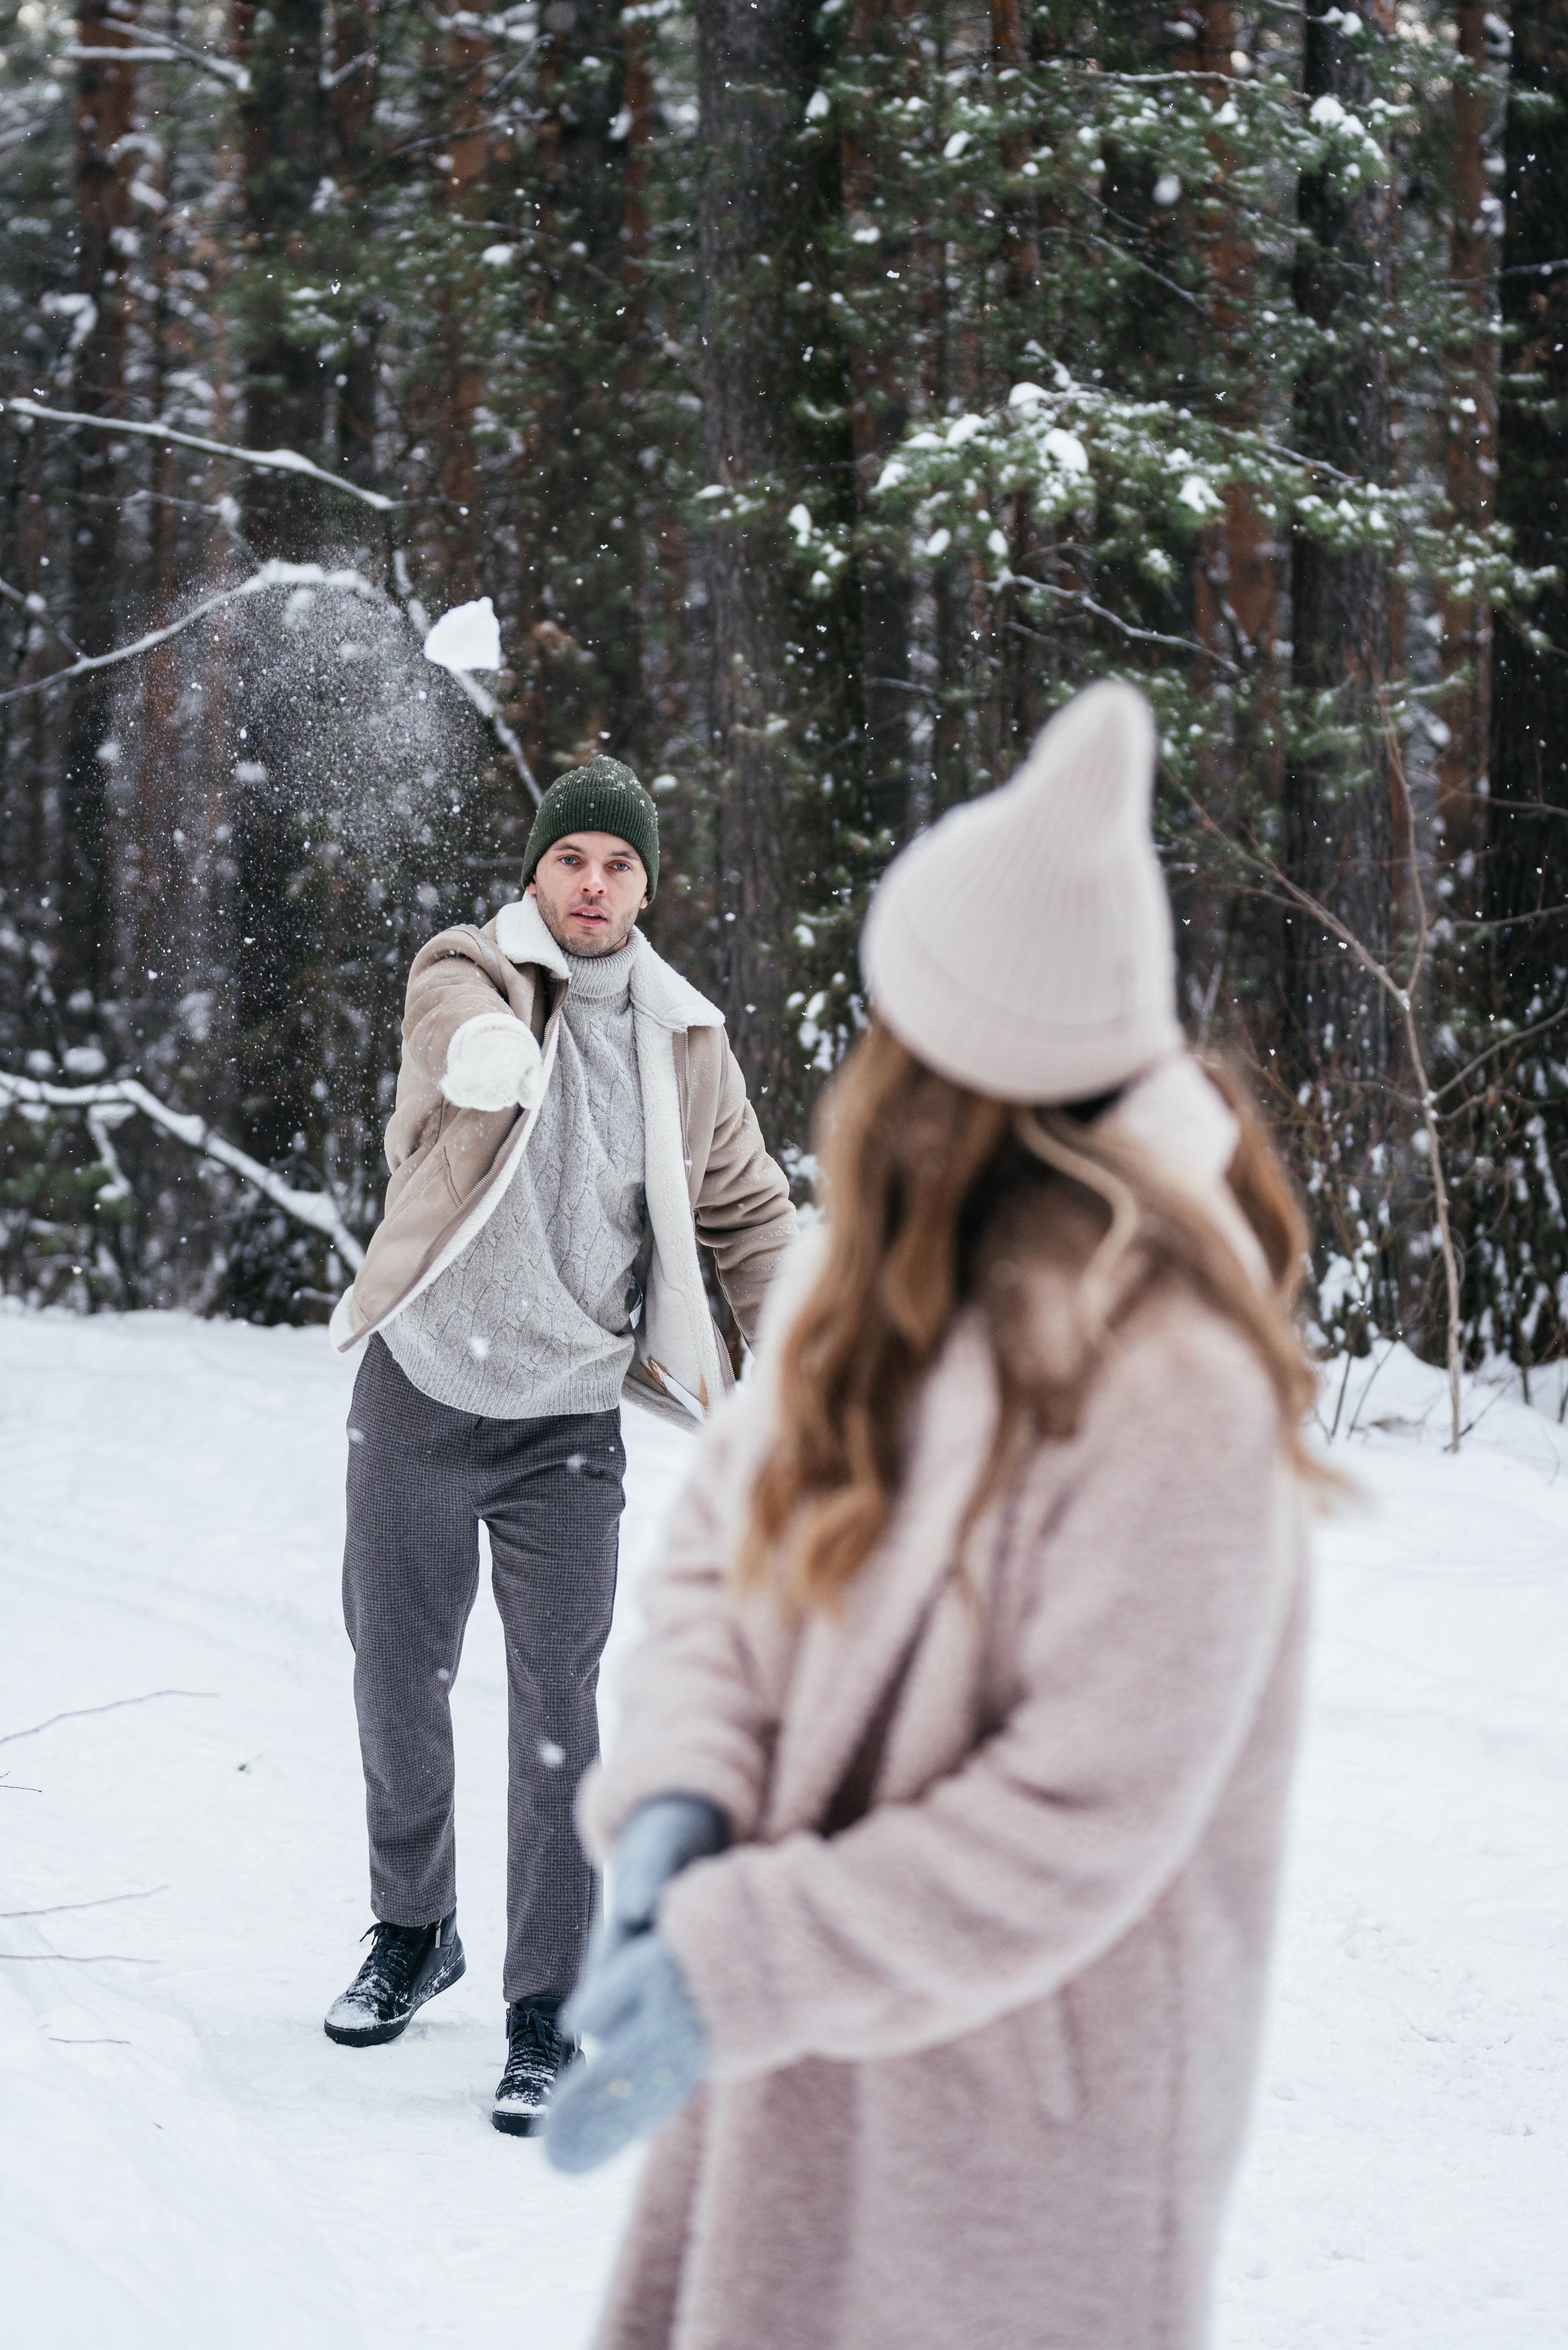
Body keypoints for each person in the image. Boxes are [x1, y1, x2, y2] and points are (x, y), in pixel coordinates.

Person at [543, 684, 1319, 2350]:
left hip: (1023, 2132)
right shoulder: (875, 1261)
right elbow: (716, 1556)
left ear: (970, 1073)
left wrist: (739, 1959)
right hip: (805, 2058)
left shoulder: (1175, 1376)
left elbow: (1077, 1818)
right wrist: (681, 1792)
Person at [321, 755, 797, 2136]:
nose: (593, 883)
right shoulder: (467, 968)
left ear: (647, 887)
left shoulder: (683, 1040)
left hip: (566, 1424)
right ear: (536, 872)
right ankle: (413, 1929)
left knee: (557, 1715)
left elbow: (750, 1214)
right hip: (420, 1388)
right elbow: (453, 1023)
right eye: (571, 857)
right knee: (399, 1681)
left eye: (619, 864)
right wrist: (487, 1054)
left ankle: (544, 2010)